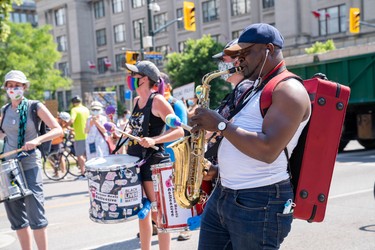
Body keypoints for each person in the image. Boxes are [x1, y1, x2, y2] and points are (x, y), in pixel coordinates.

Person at [190, 23, 311, 249]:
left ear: (268, 49)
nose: (240, 60)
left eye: (245, 53)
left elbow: (267, 151)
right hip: (224, 193)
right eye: (238, 54)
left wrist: (221, 125)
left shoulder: (288, 90)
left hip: (260, 200)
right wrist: (217, 170)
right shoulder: (253, 88)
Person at [124, 60, 184, 250]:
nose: (131, 79)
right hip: (135, 161)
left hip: (153, 162)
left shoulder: (157, 101)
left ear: (145, 79)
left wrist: (154, 140)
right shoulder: (135, 102)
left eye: (135, 76)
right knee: (142, 211)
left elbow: (179, 131)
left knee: (158, 212)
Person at [0, 70, 63, 250]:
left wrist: (37, 140)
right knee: (17, 219)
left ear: (24, 87)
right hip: (9, 168)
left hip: (29, 165)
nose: (13, 89)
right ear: (6, 88)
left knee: (36, 215)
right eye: (10, 86)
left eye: (17, 85)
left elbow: (57, 130)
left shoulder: (35, 106)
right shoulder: (4, 111)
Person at [157, 72, 191, 241]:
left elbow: (182, 129)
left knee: (180, 191)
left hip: (175, 153)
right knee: (161, 194)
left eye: (160, 84)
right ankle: (159, 225)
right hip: (159, 156)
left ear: (168, 86)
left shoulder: (174, 103)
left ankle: (185, 226)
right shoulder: (153, 104)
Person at [69, 95, 90, 179]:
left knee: (80, 155)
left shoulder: (74, 109)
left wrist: (65, 125)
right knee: (87, 155)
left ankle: (83, 173)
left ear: (73, 103)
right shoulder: (86, 109)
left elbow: (72, 120)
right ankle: (90, 172)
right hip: (88, 135)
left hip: (79, 136)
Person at [50, 111, 72, 177]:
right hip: (51, 142)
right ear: (61, 119)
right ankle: (56, 173)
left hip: (58, 142)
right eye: (64, 121)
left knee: (60, 157)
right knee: (50, 158)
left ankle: (63, 172)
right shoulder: (54, 121)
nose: (65, 123)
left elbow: (65, 129)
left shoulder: (62, 124)